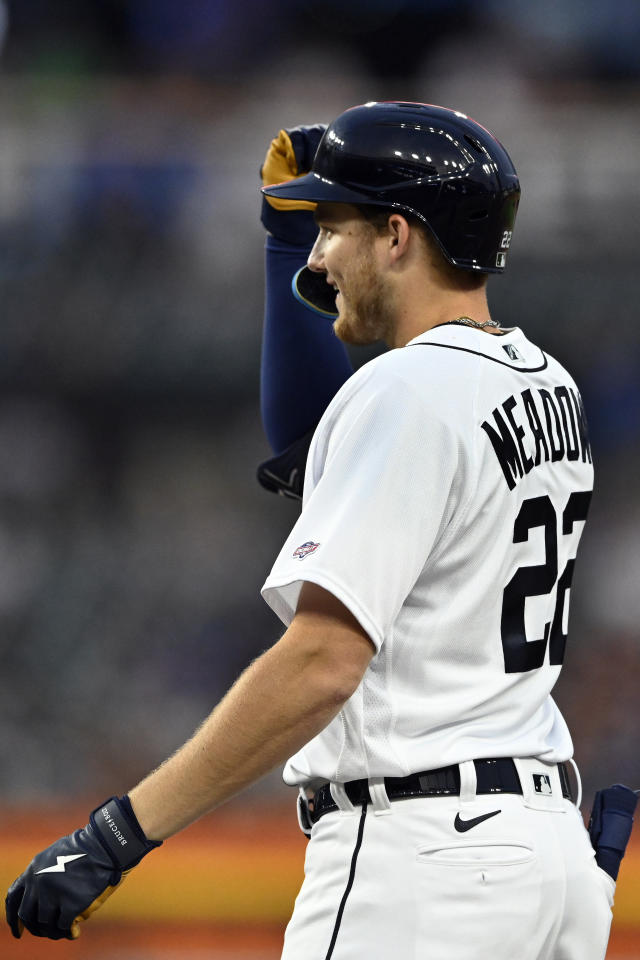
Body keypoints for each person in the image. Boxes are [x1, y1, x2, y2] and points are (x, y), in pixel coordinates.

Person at [5, 101, 623, 959]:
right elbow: (315, 447)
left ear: (398, 236)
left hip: (422, 862)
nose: (322, 254)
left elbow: (322, 662)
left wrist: (119, 832)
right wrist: (284, 245)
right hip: (544, 860)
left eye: (333, 227)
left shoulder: (407, 393)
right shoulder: (547, 382)